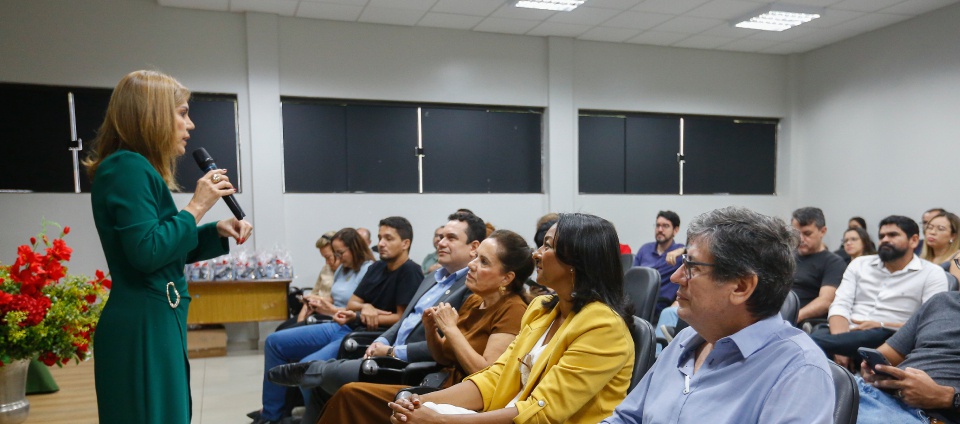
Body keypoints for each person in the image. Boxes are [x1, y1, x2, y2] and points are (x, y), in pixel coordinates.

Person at [85, 70, 253, 424]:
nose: (190, 125)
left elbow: (161, 247)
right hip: (144, 323)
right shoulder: (127, 167)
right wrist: (197, 206)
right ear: (153, 116)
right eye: (182, 113)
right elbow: (147, 252)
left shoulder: (134, 168)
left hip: (154, 316)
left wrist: (214, 231)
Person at [387, 213, 635, 424]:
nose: (536, 254)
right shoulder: (541, 309)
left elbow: (544, 411)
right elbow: (497, 376)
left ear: (577, 261)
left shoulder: (603, 327)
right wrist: (418, 401)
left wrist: (442, 420)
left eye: (547, 246)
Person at [603, 206, 835, 424]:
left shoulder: (798, 371)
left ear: (741, 287)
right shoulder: (685, 341)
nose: (675, 277)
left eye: (692, 266)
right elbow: (626, 418)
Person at [268, 211, 485, 424]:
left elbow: (450, 345)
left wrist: (392, 350)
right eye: (441, 237)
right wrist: (382, 340)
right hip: (380, 342)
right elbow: (403, 321)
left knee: (329, 375)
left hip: (412, 363)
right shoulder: (432, 278)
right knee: (319, 389)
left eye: (451, 238)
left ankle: (313, 370)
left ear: (473, 247)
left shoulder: (470, 288)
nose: (441, 243)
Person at [317, 229, 533, 423]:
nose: (471, 264)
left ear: (506, 278)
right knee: (348, 394)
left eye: (483, 262)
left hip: (464, 401)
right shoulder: (475, 300)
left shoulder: (513, 310)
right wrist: (431, 329)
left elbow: (485, 374)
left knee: (350, 395)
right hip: (440, 383)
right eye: (475, 257)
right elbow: (443, 357)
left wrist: (450, 329)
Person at [254, 220, 417, 424]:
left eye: (388, 238)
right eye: (380, 238)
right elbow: (352, 303)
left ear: (405, 243)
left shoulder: (410, 272)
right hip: (345, 324)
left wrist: (364, 313)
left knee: (307, 369)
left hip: (363, 335)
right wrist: (366, 307)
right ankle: (271, 416)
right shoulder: (377, 268)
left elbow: (401, 318)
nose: (381, 243)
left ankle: (316, 419)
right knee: (274, 342)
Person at [811, 215, 948, 368]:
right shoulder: (859, 264)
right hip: (847, 331)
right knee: (820, 332)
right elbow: (840, 305)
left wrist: (881, 324)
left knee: (814, 342)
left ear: (914, 240)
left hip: (889, 335)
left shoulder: (932, 273)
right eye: (882, 236)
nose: (885, 240)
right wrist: (841, 347)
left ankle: (809, 342)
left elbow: (930, 322)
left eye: (893, 235)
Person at [857, 291, 960, 424]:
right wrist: (872, 368)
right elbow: (886, 354)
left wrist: (946, 397)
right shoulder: (942, 301)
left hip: (923, 415)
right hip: (873, 394)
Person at [791, 207, 847, 323]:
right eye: (796, 233)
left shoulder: (833, 262)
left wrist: (793, 317)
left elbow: (825, 301)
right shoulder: (787, 257)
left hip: (803, 321)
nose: (800, 239)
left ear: (822, 231)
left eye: (807, 233)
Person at [276, 231, 339, 332]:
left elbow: (335, 300)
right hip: (312, 310)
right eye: (324, 258)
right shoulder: (326, 269)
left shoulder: (345, 272)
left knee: (284, 335)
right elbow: (313, 294)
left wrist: (316, 299)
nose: (327, 262)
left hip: (327, 314)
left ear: (337, 253)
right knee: (280, 329)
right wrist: (301, 318)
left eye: (328, 257)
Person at [632, 211, 685, 315]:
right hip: (638, 300)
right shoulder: (645, 249)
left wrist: (682, 250)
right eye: (658, 225)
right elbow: (633, 276)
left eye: (665, 226)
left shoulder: (680, 253)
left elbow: (698, 251)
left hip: (660, 305)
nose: (660, 230)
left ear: (675, 230)